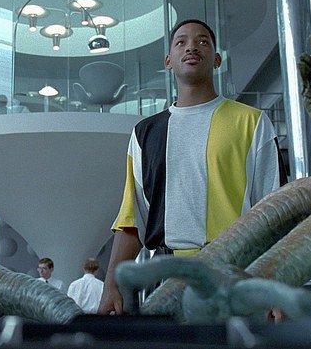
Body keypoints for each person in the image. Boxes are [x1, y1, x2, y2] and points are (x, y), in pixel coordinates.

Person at [97, 19, 286, 316]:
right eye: (181, 42)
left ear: (217, 60)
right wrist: (111, 285)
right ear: (168, 61)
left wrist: (278, 286)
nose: (192, 47)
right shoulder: (145, 133)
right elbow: (132, 219)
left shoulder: (252, 122)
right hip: (165, 281)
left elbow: (276, 212)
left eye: (202, 41)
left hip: (236, 274)